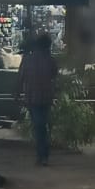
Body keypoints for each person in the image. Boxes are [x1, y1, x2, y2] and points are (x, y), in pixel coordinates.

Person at [16, 32, 59, 166]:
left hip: (32, 98)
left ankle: (42, 155)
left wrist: (16, 94)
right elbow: (55, 76)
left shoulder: (28, 59)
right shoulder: (50, 60)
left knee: (38, 126)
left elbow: (20, 78)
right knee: (42, 126)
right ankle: (43, 155)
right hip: (46, 98)